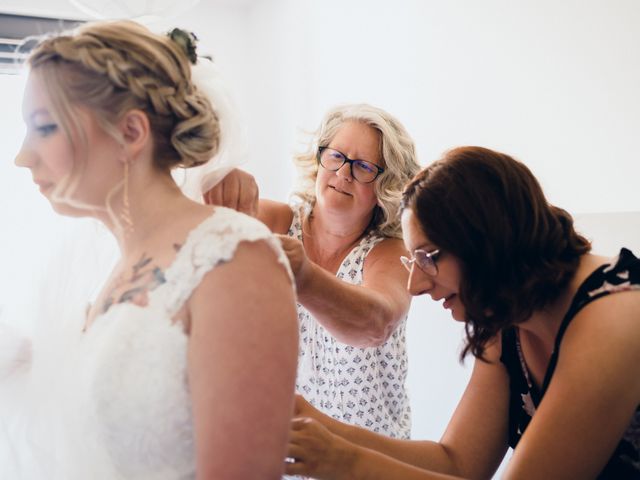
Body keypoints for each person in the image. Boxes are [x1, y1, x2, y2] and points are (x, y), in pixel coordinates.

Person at [5, 20, 298, 479]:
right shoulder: (113, 271)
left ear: (131, 132)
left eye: (44, 127)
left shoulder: (233, 258)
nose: (22, 156)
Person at [284, 146, 640, 479]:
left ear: (486, 242)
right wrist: (314, 422)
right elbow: (457, 463)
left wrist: (342, 460)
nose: (415, 286)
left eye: (427, 257)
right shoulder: (508, 318)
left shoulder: (617, 313)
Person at [206, 104, 422, 440]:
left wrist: (303, 274)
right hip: (283, 455)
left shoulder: (390, 253)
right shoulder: (276, 222)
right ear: (319, 160)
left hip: (369, 461)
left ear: (385, 186)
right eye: (336, 156)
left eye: (364, 166)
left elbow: (375, 323)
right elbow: (189, 224)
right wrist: (219, 181)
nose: (344, 173)